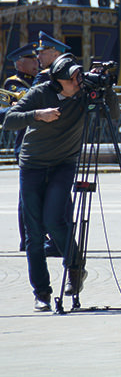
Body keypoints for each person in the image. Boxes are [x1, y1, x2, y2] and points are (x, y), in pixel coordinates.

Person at [3, 55, 89, 311]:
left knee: (54, 220)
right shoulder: (40, 93)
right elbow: (9, 120)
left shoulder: (85, 94)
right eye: (72, 78)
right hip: (33, 165)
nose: (77, 81)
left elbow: (114, 113)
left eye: (79, 75)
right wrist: (37, 115)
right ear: (58, 81)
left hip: (64, 164)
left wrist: (107, 90)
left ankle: (76, 267)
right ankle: (41, 292)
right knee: (34, 233)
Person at [4, 44, 38, 252]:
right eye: (31, 60)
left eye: (36, 59)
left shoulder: (38, 80)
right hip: (25, 144)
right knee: (27, 195)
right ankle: (27, 238)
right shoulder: (14, 83)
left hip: (40, 142)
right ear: (19, 63)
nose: (36, 63)